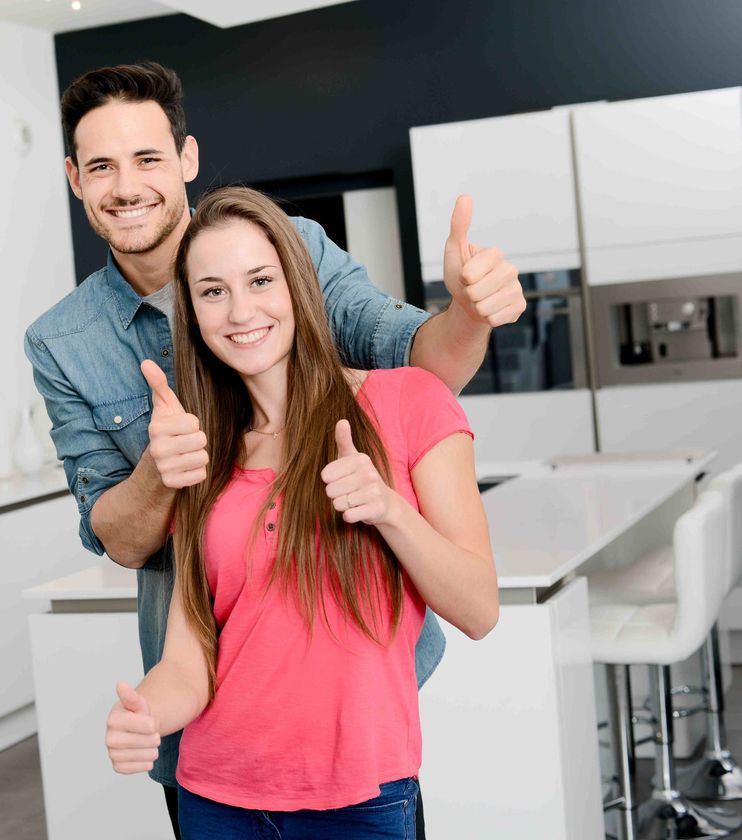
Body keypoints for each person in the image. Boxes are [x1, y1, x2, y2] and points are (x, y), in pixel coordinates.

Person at [23, 61, 522, 838]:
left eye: (148, 158)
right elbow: (123, 542)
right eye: (101, 166)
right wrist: (162, 471)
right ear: (74, 180)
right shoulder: (69, 347)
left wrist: (468, 315)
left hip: (360, 748)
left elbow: (414, 359)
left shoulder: (299, 251)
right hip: (210, 746)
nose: (126, 185)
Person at [105, 186, 498, 839]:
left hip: (362, 802)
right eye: (212, 291)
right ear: (193, 315)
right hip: (216, 801)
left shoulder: (409, 403)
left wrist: (389, 511)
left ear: (297, 286)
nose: (240, 311)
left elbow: (479, 609)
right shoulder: (204, 455)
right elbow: (189, 660)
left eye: (260, 280)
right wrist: (144, 711)